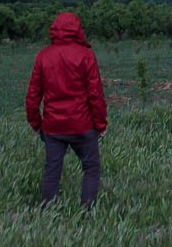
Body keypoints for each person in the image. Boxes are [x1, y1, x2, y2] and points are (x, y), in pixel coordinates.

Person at [25, 12, 107, 208]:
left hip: (53, 127)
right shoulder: (85, 55)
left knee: (52, 170)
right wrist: (101, 124)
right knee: (91, 168)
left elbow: (32, 96)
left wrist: (37, 124)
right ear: (78, 29)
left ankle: (48, 215)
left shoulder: (43, 56)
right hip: (82, 125)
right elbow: (96, 94)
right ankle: (87, 213)